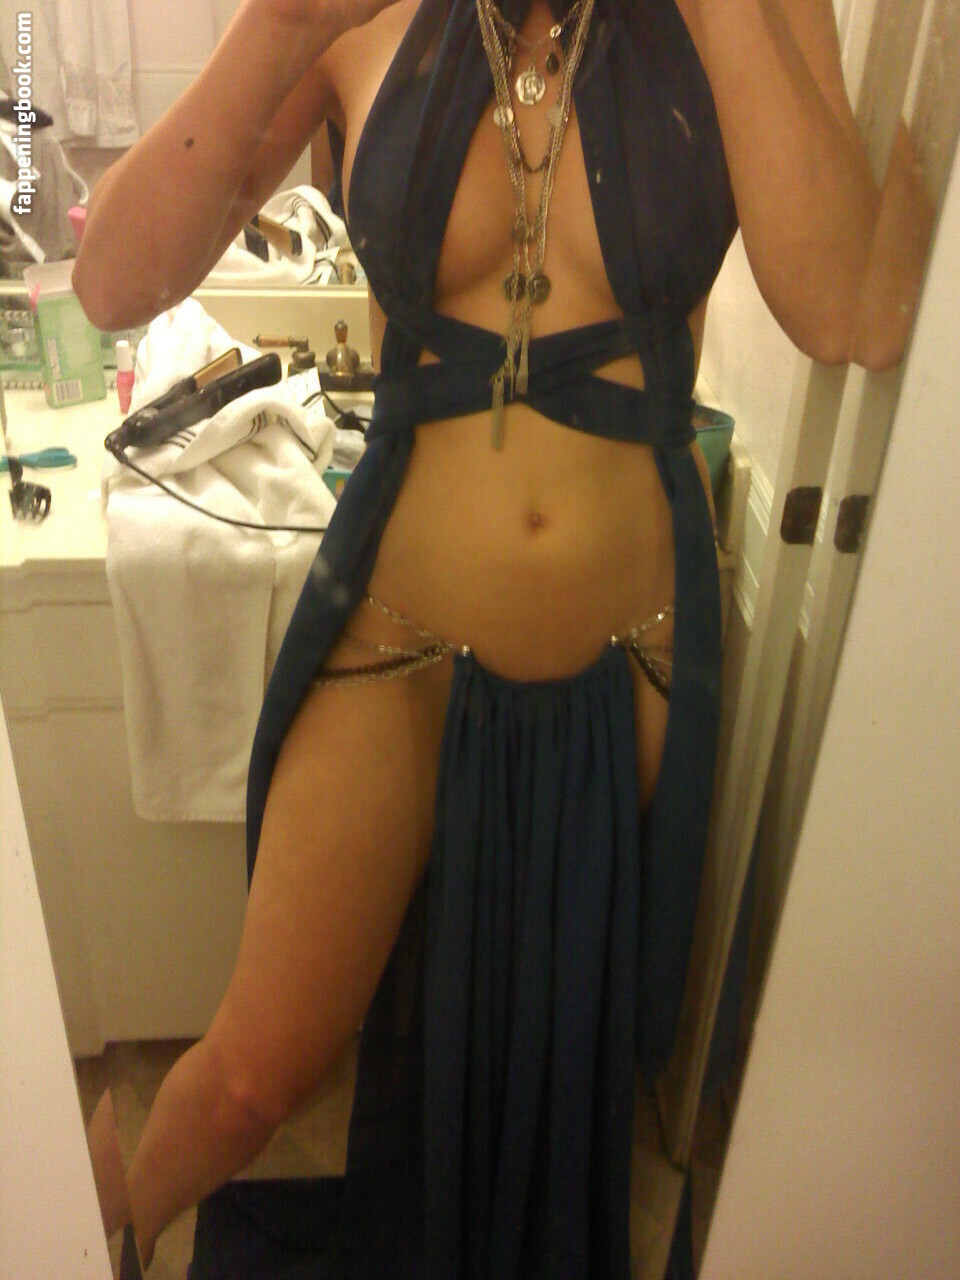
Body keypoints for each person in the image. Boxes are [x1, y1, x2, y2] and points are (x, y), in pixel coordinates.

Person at [75, 0, 926, 1273]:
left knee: (562, 1078)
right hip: (397, 628)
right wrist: (284, 22)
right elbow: (111, 284)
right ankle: (91, 1228)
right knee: (255, 1071)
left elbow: (850, 308)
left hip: (632, 645)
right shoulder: (352, 18)